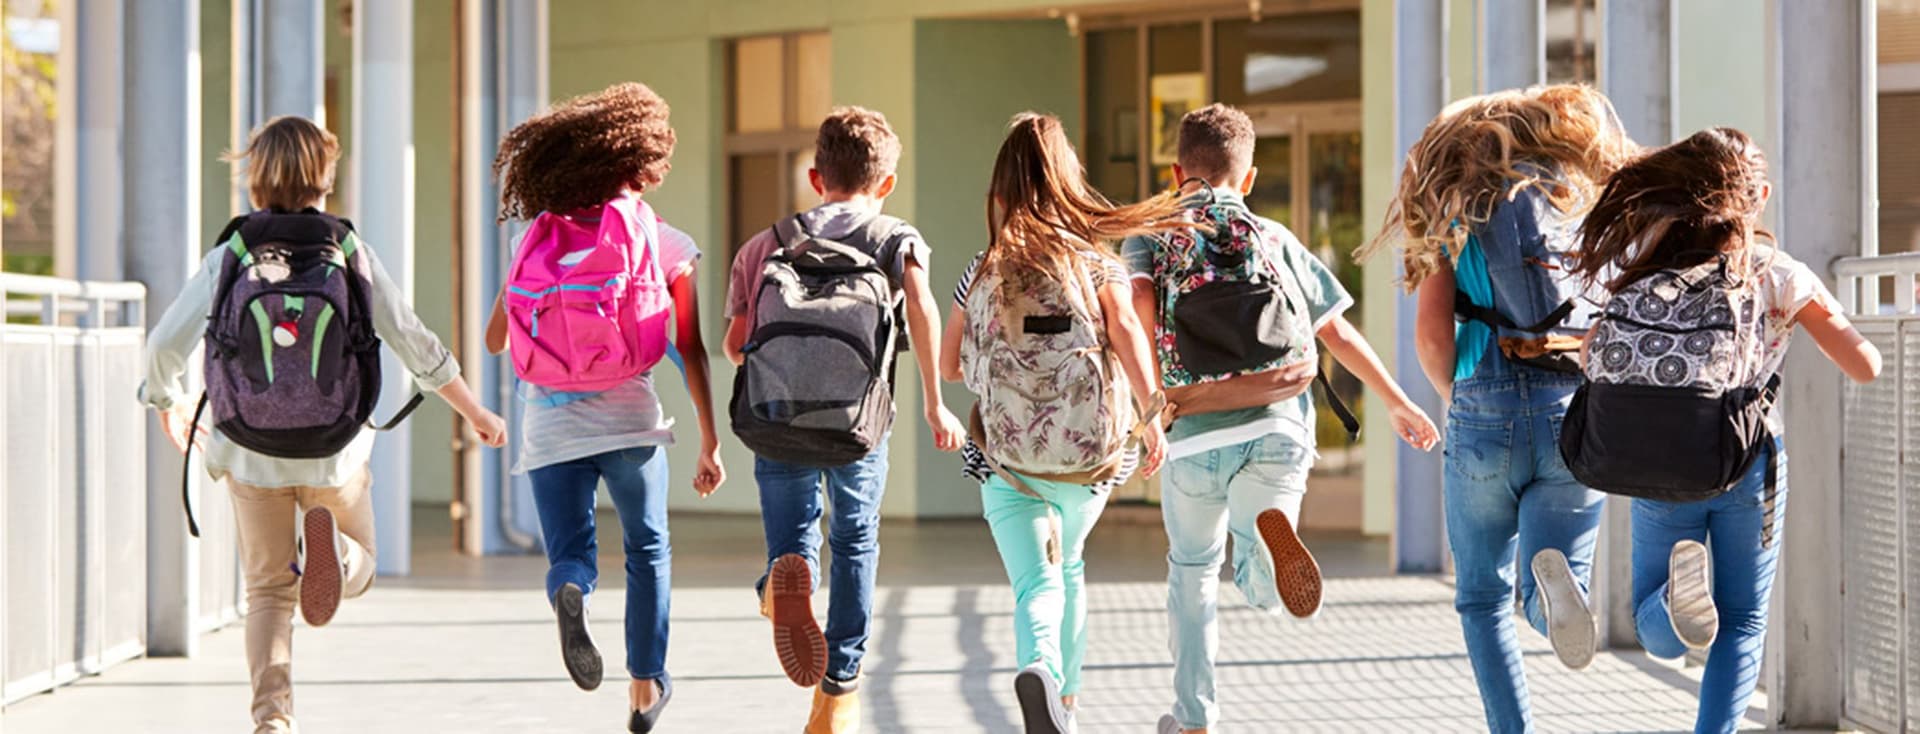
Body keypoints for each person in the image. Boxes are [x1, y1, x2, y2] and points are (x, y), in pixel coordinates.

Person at [140, 115, 508, 734]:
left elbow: (162, 344)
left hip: (249, 449)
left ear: (255, 179)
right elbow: (414, 342)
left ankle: (272, 720)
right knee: (361, 561)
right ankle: (334, 551)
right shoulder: (349, 250)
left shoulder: (232, 254)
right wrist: (475, 412)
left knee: (266, 593)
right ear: (326, 178)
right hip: (334, 452)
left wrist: (167, 401)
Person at [1133, 104, 1439, 734]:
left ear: (1176, 171)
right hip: (1277, 425)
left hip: (1191, 429)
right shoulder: (1272, 238)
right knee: (1259, 568)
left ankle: (1195, 719)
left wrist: (1144, 406)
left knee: (1191, 574)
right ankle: (1268, 565)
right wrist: (1397, 401)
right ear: (1247, 178)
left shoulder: (1152, 235)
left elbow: (1136, 312)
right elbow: (1337, 334)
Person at [1567, 127, 1880, 734]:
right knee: (1743, 620)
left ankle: (1673, 609)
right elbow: (1862, 365)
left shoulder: (1647, 268)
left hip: (1659, 457)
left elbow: (1592, 357)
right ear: (1758, 195)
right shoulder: (1777, 272)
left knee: (1651, 619)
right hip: (1749, 459)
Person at [1356, 84, 1637, 733]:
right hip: (1570, 406)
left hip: (1484, 399)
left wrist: (1460, 401)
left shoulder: (1453, 213)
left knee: (1481, 597)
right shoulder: (1574, 204)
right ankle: (1552, 600)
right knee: (1554, 569)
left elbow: (1431, 335)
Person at [485, 82, 726, 734]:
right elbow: (691, 347)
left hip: (550, 426)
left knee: (570, 551)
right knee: (647, 549)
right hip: (629, 422)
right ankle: (645, 685)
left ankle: (571, 589)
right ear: (634, 162)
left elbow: (494, 338)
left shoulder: (535, 237)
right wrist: (709, 439)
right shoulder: (661, 238)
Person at [723, 105, 965, 734]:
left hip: (775, 416)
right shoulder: (895, 238)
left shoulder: (765, 244)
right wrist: (936, 403)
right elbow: (922, 309)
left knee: (794, 543)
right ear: (885, 183)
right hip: (859, 423)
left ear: (814, 176)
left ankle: (779, 587)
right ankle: (840, 691)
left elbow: (735, 345)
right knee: (855, 541)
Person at [939, 112, 1176, 734]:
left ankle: (1039, 668)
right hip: (1089, 458)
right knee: (1068, 566)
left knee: (1035, 581)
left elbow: (949, 366)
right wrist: (1152, 417)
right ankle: (1065, 704)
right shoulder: (1097, 264)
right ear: (1068, 179)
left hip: (1006, 460)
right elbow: (1126, 331)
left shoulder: (983, 266)